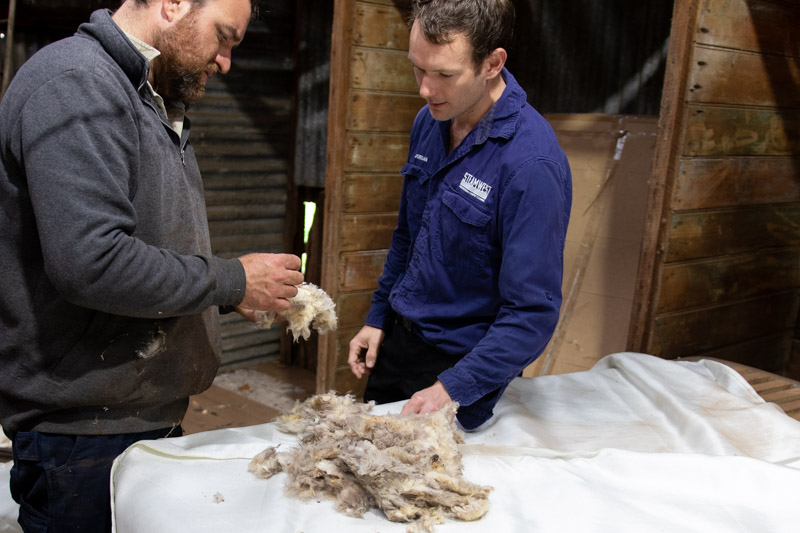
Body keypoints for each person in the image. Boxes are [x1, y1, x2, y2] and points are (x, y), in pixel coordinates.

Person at [0, 1, 304, 531]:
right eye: (224, 37)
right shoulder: (76, 83)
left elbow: (152, 242)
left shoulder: (150, 93)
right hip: (83, 437)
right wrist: (232, 279)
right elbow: (91, 262)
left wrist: (232, 295)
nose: (227, 61)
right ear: (173, 4)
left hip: (136, 418)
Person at [348, 0, 572, 431]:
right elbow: (408, 237)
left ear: (492, 63)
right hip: (398, 343)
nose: (425, 90)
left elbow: (531, 314)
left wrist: (452, 388)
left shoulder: (531, 165)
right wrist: (378, 317)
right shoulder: (429, 122)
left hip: (464, 371)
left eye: (444, 75)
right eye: (418, 69)